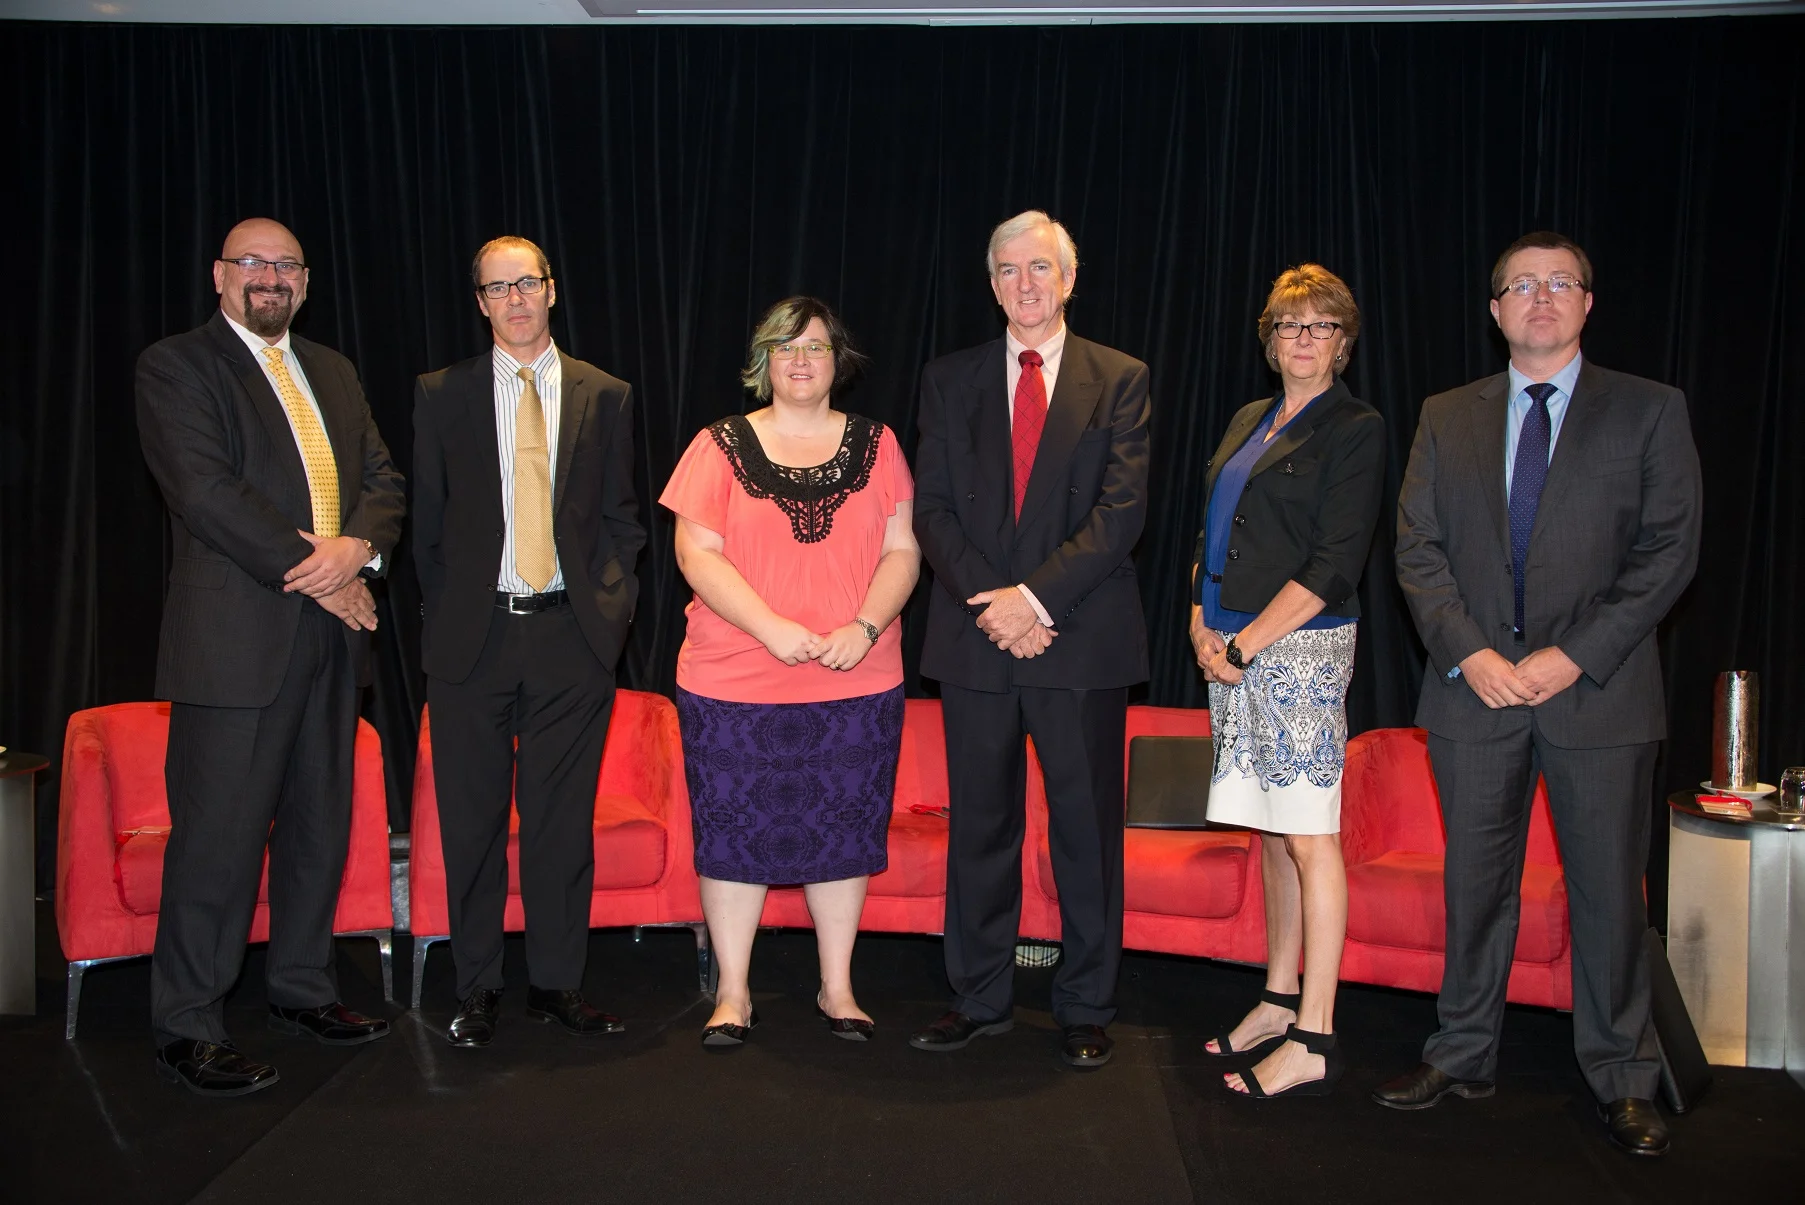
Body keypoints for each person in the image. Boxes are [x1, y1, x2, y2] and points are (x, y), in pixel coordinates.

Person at [1381, 232, 1702, 1156]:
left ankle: (1620, 1077)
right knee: (1475, 885)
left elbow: (1668, 552)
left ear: (1587, 303)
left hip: (1597, 695)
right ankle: (1461, 1050)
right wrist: (1469, 652)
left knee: (1606, 894)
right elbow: (1417, 549)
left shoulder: (1648, 410)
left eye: (1560, 283)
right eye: (1520, 285)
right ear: (1495, 311)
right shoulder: (1447, 415)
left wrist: (1574, 655)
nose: (1541, 297)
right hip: (1473, 692)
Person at [135, 218, 405, 1095]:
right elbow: (211, 495)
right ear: (219, 275)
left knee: (318, 829)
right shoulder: (176, 366)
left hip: (329, 648)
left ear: (305, 281)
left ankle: (300, 988)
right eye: (252, 262)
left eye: (286, 265)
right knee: (217, 839)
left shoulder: (332, 369)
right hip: (234, 647)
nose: (270, 277)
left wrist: (357, 552)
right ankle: (187, 1024)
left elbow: (382, 482)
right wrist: (329, 573)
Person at [910, 210, 1150, 1069]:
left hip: (1078, 642)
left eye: (1040, 268)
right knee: (979, 825)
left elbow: (1119, 515)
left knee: (1085, 830)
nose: (1025, 284)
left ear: (1069, 277)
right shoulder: (949, 378)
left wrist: (1035, 603)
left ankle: (1083, 1002)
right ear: (991, 282)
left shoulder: (1118, 377)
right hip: (977, 639)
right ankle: (977, 996)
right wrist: (995, 605)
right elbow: (931, 509)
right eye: (1008, 270)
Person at [660, 296, 919, 1049]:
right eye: (784, 347)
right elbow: (694, 552)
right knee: (733, 835)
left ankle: (837, 985)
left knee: (843, 832)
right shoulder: (717, 444)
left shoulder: (880, 443)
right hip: (731, 678)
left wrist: (863, 627)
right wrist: (770, 628)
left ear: (838, 361)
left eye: (814, 347)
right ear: (762, 362)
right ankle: (733, 992)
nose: (800, 360)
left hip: (856, 677)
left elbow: (903, 550)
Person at [412, 236, 645, 1047]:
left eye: (528, 283)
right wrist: (449, 617)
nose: (515, 299)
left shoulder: (603, 393)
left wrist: (608, 617)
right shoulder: (441, 394)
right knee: (470, 824)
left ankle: (555, 983)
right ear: (479, 302)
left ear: (552, 290)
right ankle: (476, 986)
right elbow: (428, 531)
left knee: (559, 825)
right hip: (472, 641)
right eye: (497, 286)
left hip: (569, 639)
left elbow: (621, 520)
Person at [1189, 265, 1385, 1098]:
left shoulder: (1357, 427)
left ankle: (1313, 1034)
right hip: (1226, 648)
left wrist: (1246, 643)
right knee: (1267, 828)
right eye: (1287, 325)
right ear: (1268, 340)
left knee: (1309, 836)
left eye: (1319, 326)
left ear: (1342, 343)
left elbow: (1333, 564)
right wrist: (1201, 624)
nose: (1301, 340)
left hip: (1298, 652)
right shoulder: (1249, 418)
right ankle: (1274, 997)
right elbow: (1212, 530)